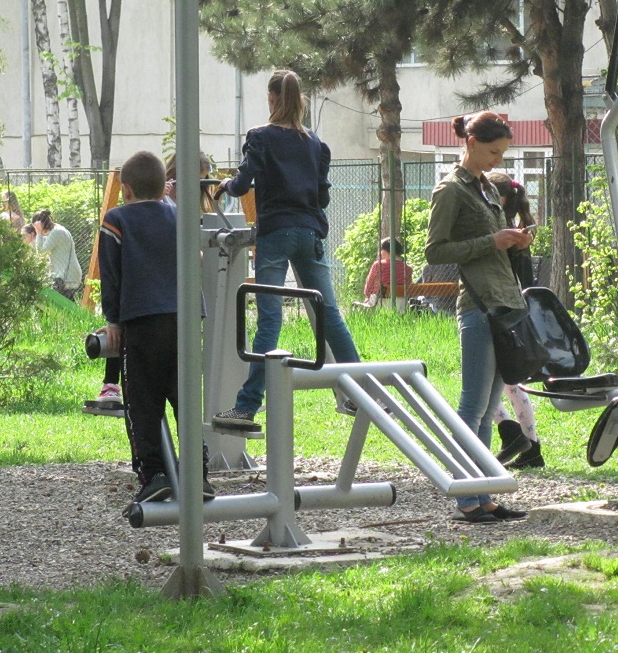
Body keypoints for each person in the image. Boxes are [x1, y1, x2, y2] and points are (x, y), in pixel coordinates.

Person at [213, 70, 361, 431]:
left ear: (271, 98)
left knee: (270, 319)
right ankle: (363, 392)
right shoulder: (316, 143)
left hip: (275, 233)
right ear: (300, 100)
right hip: (309, 233)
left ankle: (246, 407)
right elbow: (322, 197)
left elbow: (242, 184)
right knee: (329, 315)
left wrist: (225, 184)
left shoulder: (260, 137)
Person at [425, 111, 531, 524]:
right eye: (493, 152)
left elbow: (492, 246)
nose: (498, 160)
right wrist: (492, 241)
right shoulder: (450, 190)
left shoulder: (487, 187)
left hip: (503, 303)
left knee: (488, 411)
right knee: (472, 407)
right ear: (470, 143)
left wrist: (515, 242)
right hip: (477, 306)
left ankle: (483, 496)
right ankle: (465, 498)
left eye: (502, 153)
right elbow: (435, 251)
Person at [99, 151, 215, 504]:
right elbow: (195, 261)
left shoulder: (116, 220)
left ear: (126, 189)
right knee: (185, 399)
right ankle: (197, 473)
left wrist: (113, 320)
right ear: (164, 187)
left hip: (142, 320)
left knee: (142, 403)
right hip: (186, 318)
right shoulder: (181, 215)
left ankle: (154, 474)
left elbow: (111, 274)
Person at [487, 172, 543, 469]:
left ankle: (513, 436)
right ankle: (530, 446)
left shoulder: (505, 235)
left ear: (500, 199)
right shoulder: (517, 233)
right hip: (515, 314)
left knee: (489, 385)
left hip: (501, 314)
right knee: (510, 384)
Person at [31, 209, 83, 300]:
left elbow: (41, 253)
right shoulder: (57, 229)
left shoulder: (56, 232)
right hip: (66, 275)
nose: (36, 230)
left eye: (36, 227)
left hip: (67, 277)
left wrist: (38, 233)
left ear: (41, 224)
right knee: (64, 305)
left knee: (63, 306)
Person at [358, 237, 415, 307]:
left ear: (385, 251)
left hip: (379, 306)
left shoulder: (378, 265)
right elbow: (409, 291)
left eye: (380, 249)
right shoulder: (407, 269)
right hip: (402, 307)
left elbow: (367, 291)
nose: (379, 253)